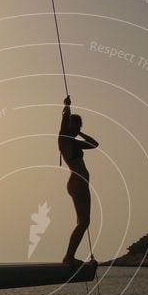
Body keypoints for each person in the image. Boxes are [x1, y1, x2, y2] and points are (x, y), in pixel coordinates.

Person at [58, 95, 99, 266]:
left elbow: (94, 144)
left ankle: (70, 256)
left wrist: (79, 132)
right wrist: (67, 107)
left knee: (84, 221)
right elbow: (64, 121)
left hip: (81, 183)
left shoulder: (75, 143)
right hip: (77, 182)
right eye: (75, 125)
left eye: (79, 125)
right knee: (83, 222)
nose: (77, 128)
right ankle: (68, 257)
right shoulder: (64, 140)